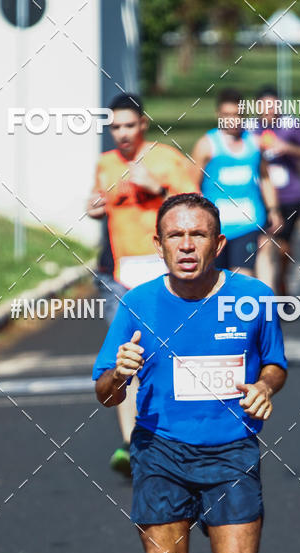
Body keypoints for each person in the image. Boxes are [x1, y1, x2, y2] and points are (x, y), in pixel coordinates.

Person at [93, 193, 287, 553]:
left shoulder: (253, 298)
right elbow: (106, 393)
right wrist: (119, 374)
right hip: (160, 450)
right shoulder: (138, 303)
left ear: (219, 243)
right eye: (175, 235)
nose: (186, 244)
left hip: (231, 449)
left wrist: (266, 386)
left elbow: (274, 364)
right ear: (158, 245)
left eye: (197, 234)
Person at [87, 93, 198, 476]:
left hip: (163, 271)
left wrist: (156, 188)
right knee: (123, 359)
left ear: (143, 125)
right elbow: (98, 202)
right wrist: (93, 207)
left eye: (129, 125)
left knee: (169, 355)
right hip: (118, 274)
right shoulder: (105, 164)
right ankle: (132, 443)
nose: (122, 133)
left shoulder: (166, 158)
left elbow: (194, 206)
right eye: (115, 127)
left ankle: (176, 436)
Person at [191, 88, 282, 280]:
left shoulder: (255, 144)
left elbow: (265, 177)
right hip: (215, 228)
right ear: (218, 115)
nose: (233, 120)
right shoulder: (207, 145)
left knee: (242, 280)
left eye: (237, 115)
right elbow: (191, 184)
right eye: (227, 115)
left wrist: (273, 209)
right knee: (215, 283)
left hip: (247, 225)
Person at [252, 85, 300, 295]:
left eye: (273, 105)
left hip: (288, 196)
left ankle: (281, 281)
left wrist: (287, 148)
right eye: (264, 106)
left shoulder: (291, 125)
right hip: (258, 197)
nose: (269, 110)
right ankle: (262, 291)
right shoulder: (249, 129)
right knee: (259, 246)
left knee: (282, 249)